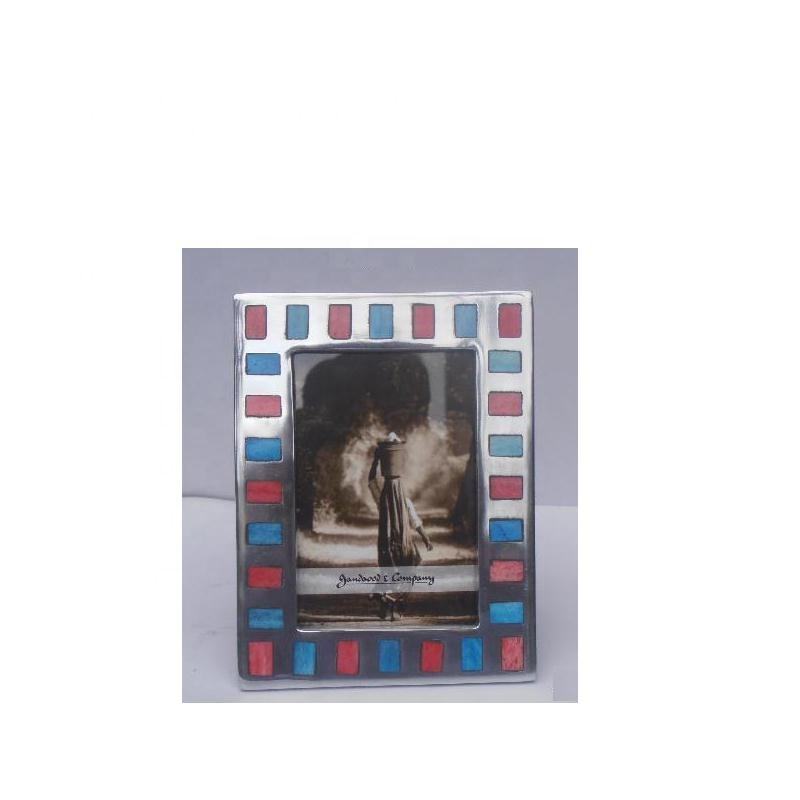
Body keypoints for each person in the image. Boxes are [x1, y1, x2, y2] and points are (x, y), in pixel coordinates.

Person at [368, 433, 433, 620]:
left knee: (394, 571)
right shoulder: (398, 501)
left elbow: (371, 481)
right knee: (403, 572)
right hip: (400, 545)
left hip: (391, 544)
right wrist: (425, 539)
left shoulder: (383, 499)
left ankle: (387, 602)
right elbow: (415, 521)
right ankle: (390, 605)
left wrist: (376, 460)